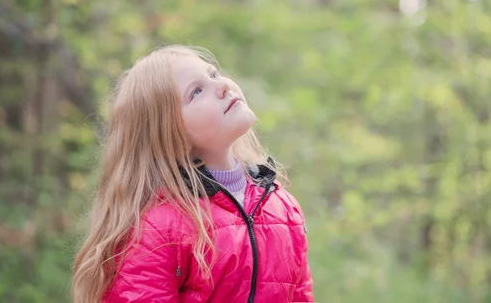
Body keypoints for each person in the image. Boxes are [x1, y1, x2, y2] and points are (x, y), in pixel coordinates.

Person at [71, 45, 314, 303]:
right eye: (196, 92)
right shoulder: (159, 228)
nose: (221, 86)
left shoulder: (283, 208)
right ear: (168, 134)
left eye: (213, 75)